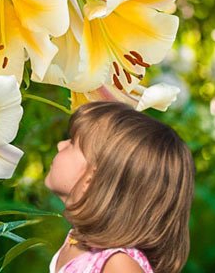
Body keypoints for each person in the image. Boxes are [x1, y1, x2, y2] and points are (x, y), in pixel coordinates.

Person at [45, 101, 195, 273]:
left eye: (72, 143)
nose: (60, 145)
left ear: (92, 180)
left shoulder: (119, 264)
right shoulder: (76, 241)